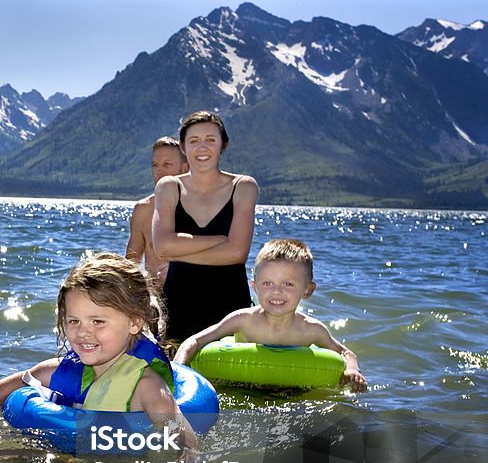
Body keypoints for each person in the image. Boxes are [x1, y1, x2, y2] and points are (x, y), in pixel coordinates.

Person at [0, 253, 196, 447]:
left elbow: (185, 447)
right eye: (73, 321)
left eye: (98, 321)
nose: (82, 333)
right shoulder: (58, 372)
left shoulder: (147, 387)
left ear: (134, 322)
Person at [173, 239, 367, 391]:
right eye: (267, 283)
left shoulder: (311, 330)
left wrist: (352, 369)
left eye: (288, 284)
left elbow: (346, 353)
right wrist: (177, 371)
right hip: (242, 385)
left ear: (308, 290)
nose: (276, 292)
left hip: (291, 391)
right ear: (255, 287)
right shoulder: (243, 320)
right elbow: (195, 342)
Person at [152, 111, 258, 342]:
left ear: (223, 145)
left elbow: (237, 253)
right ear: (182, 147)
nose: (202, 147)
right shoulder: (168, 186)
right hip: (178, 305)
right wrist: (220, 241)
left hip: (230, 306)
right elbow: (162, 247)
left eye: (210, 140)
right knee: (176, 373)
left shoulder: (243, 186)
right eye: (193, 141)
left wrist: (179, 252)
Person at [126, 136, 188, 284]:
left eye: (167, 164)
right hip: (156, 299)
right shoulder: (144, 209)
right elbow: (130, 265)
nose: (159, 171)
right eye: (155, 165)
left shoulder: (202, 209)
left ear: (185, 168)